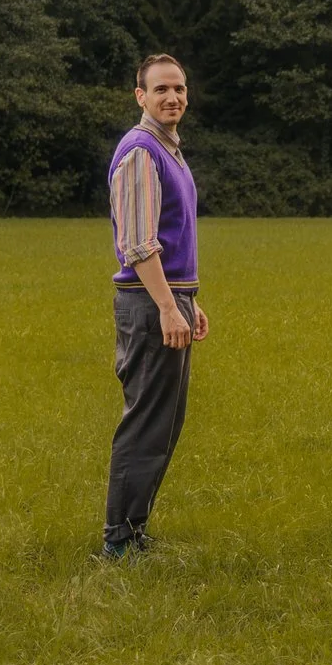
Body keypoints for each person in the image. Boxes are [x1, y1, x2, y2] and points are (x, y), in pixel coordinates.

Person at [103, 53, 210, 558]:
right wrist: (169, 307)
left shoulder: (170, 149)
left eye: (180, 89)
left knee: (165, 422)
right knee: (146, 421)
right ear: (140, 95)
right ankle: (119, 543)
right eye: (161, 89)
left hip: (170, 297)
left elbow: (176, 237)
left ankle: (135, 530)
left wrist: (190, 301)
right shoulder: (142, 150)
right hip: (149, 303)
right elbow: (140, 245)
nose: (173, 98)